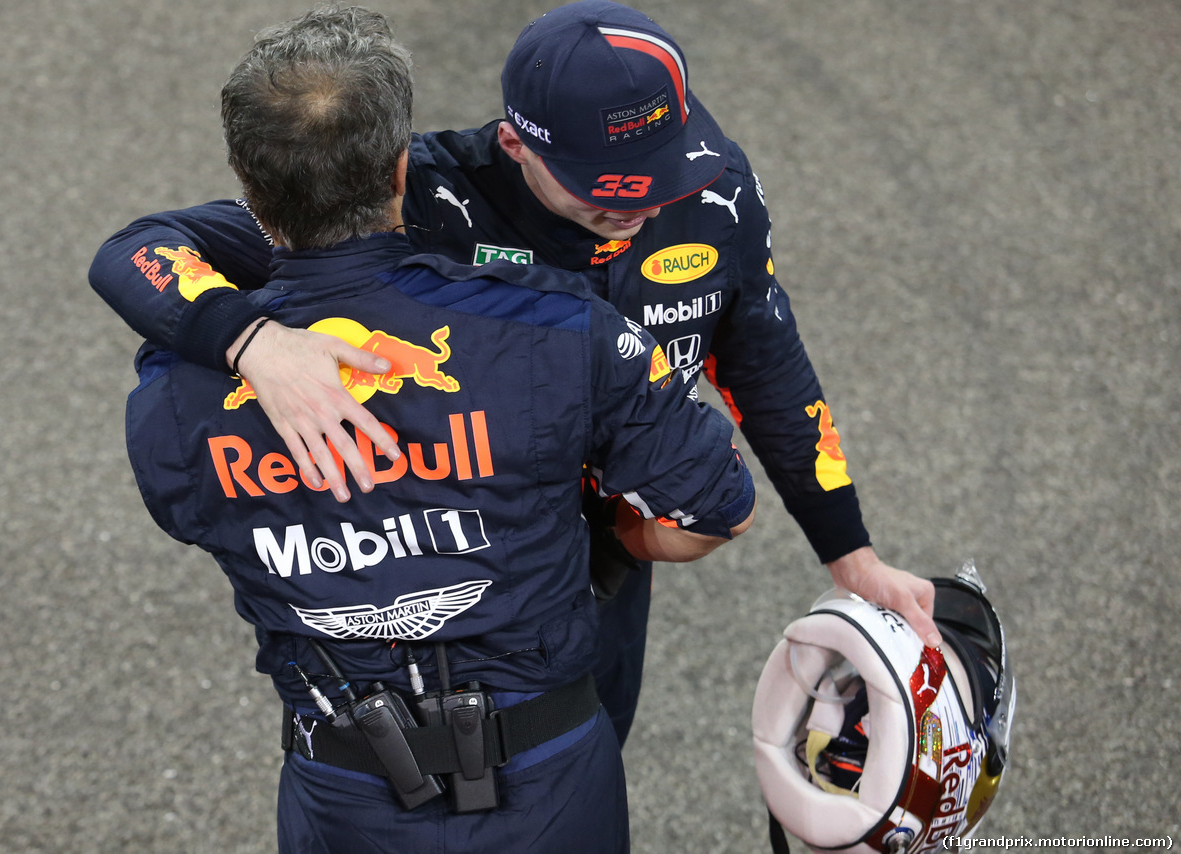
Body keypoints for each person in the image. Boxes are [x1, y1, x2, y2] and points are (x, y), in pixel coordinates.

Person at [91, 0, 940, 747]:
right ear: (515, 144)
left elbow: (763, 358)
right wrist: (254, 343)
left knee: (592, 749)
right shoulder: (417, 194)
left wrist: (849, 552)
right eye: (604, 198)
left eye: (656, 183)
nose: (637, 213)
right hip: (451, 558)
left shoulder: (714, 194)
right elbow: (138, 252)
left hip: (604, 569)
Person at [120, 6, 755, 852]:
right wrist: (613, 539)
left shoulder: (178, 391)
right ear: (397, 170)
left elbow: (190, 508)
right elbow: (721, 508)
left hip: (340, 792)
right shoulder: (561, 332)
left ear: (247, 186)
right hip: (552, 785)